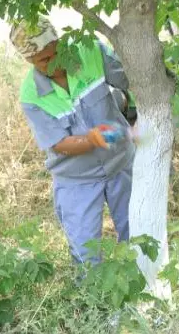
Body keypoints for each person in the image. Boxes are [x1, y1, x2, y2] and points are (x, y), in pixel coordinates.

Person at [12, 18, 136, 266]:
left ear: (60, 41)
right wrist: (94, 139)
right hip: (77, 180)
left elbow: (133, 80)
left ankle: (142, 293)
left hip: (121, 165)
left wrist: (138, 118)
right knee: (85, 254)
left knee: (137, 238)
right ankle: (93, 301)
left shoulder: (90, 50)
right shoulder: (31, 96)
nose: (55, 63)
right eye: (44, 61)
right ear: (29, 61)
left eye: (57, 53)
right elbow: (58, 144)